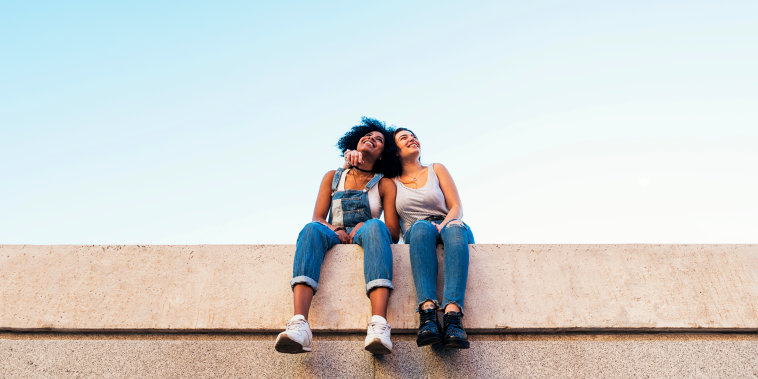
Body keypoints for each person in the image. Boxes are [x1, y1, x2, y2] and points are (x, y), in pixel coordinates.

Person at [275, 118, 401, 355]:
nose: (370, 139)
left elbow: (392, 232)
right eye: (367, 135)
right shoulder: (334, 176)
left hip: (366, 232)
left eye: (378, 139)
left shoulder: (384, 184)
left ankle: (379, 325)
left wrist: (366, 223)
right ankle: (300, 324)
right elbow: (318, 218)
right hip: (334, 232)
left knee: (375, 226)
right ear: (355, 141)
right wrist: (336, 230)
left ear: (384, 154)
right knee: (310, 230)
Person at [345, 127, 474, 349]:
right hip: (417, 230)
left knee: (453, 228)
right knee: (422, 228)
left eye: (413, 136)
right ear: (395, 151)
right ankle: (428, 314)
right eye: (404, 138)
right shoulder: (390, 182)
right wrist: (349, 159)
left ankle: (453, 317)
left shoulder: (437, 169)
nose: (412, 139)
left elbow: (456, 208)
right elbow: (359, 176)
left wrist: (443, 225)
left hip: (449, 222)